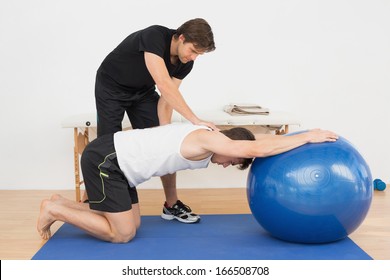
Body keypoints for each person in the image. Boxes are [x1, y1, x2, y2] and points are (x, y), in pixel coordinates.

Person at [37, 123, 338, 243]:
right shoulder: (208, 139)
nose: (228, 164)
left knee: (135, 224)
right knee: (123, 234)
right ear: (229, 147)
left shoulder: (212, 136)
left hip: (121, 164)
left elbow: (254, 140)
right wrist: (307, 136)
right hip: (108, 160)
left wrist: (288, 140)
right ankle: (55, 210)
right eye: (232, 161)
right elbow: (253, 148)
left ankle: (61, 203)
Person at [91, 18, 217, 221]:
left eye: (198, 54)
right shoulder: (154, 36)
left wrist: (164, 133)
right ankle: (99, 202)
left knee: (166, 146)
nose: (193, 57)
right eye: (193, 50)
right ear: (181, 37)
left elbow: (167, 99)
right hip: (111, 87)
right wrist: (194, 119)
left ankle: (171, 204)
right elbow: (164, 84)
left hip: (142, 92)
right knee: (106, 147)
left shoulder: (185, 63)